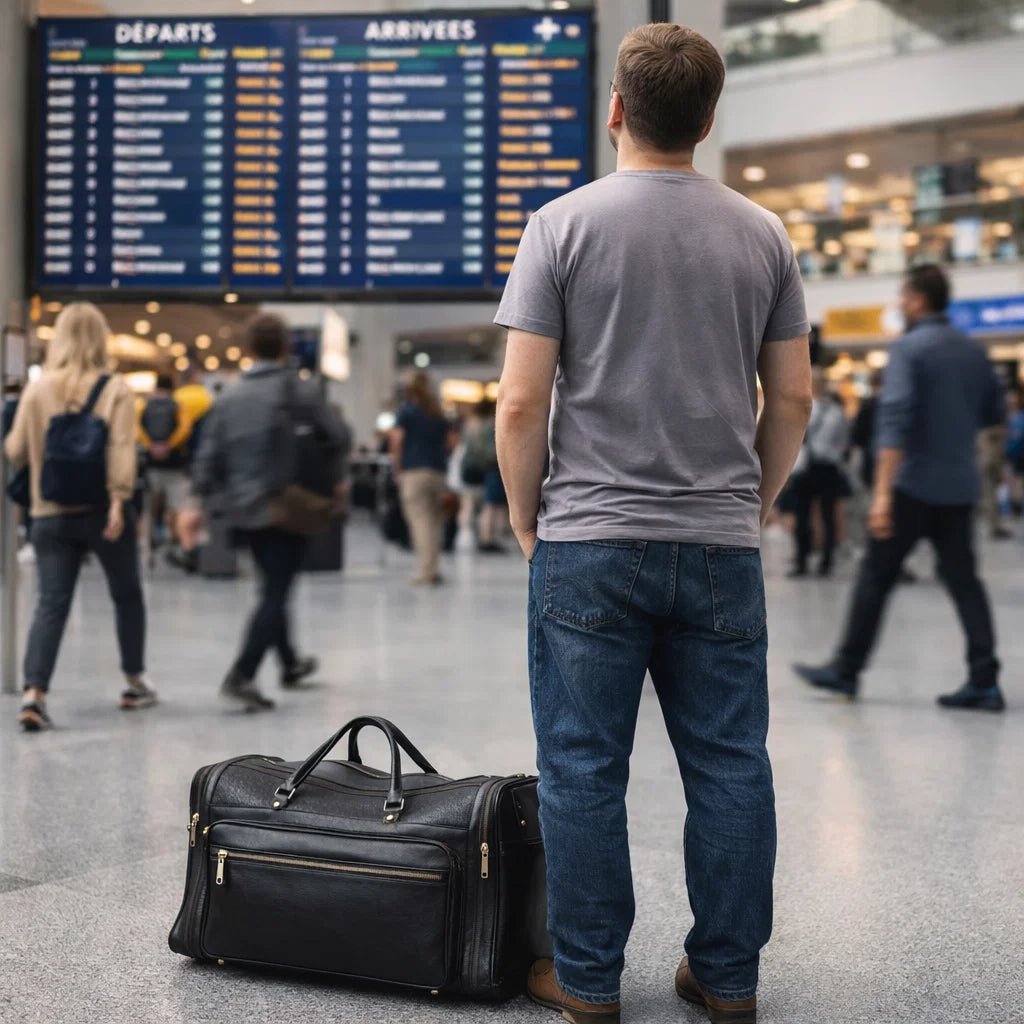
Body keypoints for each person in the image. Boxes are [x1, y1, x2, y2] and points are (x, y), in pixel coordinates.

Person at [494, 23, 812, 1024]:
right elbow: (793, 397)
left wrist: (522, 516)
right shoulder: (764, 235)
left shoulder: (561, 224)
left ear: (616, 110)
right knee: (730, 760)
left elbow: (518, 401)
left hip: (588, 537)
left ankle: (587, 981)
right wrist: (750, 505)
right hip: (718, 543)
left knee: (583, 766)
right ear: (709, 120)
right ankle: (725, 976)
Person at [795, 265, 1007, 711]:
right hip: (959, 486)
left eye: (901, 296)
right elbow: (992, 414)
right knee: (965, 583)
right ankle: (985, 680)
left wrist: (884, 494)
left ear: (916, 300)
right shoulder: (973, 352)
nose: (897, 304)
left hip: (911, 487)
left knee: (875, 576)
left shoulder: (910, 350)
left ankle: (846, 670)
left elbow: (896, 422)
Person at [181, 314, 348, 711]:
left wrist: (193, 504)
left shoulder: (229, 396)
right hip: (287, 504)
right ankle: (242, 674)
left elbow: (208, 456)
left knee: (272, 583)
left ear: (250, 348)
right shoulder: (299, 390)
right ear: (286, 346)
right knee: (276, 590)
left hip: (241, 508)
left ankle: (290, 662)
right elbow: (338, 436)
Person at [4, 302, 153, 731]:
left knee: (51, 602)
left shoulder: (37, 388)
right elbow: (122, 448)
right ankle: (133, 682)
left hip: (48, 510)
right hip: (102, 512)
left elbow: (14, 451)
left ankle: (34, 695)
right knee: (126, 594)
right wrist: (118, 500)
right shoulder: (115, 389)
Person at [389, 371, 454, 585]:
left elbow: (397, 441)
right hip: (438, 472)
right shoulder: (438, 412)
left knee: (420, 522)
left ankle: (425, 571)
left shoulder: (406, 411)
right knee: (436, 522)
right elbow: (451, 442)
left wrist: (397, 468)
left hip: (414, 472)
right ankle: (433, 568)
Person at [789, 368, 848, 577]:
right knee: (828, 517)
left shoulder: (802, 408)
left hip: (805, 468)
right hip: (829, 468)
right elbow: (843, 442)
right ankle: (827, 562)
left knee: (802, 516)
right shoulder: (837, 411)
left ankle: (802, 561)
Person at [138, 373, 193, 561]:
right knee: (176, 506)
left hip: (151, 464)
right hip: (175, 464)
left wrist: (151, 445)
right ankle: (173, 544)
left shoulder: (145, 405)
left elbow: (136, 429)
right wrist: (169, 444)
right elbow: (186, 428)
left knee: (150, 507)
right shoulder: (177, 406)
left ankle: (147, 547)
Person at [461, 398, 507, 553]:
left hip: (475, 469)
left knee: (475, 503)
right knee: (490, 504)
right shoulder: (487, 426)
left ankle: (480, 535)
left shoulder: (471, 425)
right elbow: (491, 450)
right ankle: (486, 538)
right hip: (491, 467)